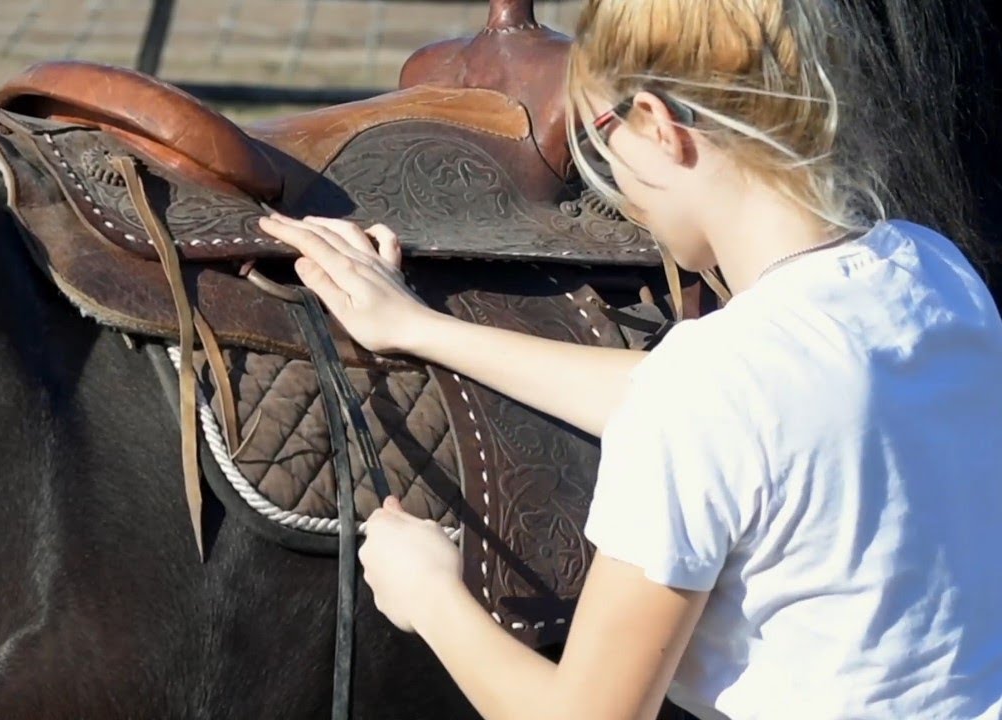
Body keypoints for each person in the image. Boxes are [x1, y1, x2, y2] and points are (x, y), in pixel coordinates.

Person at [256, 0, 1002, 718]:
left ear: (658, 123)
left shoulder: (711, 390)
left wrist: (429, 596)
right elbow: (710, 406)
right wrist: (420, 328)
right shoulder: (932, 270)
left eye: (601, 130)